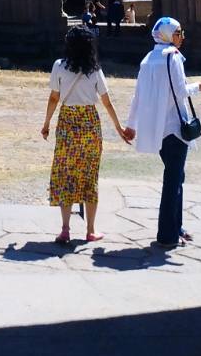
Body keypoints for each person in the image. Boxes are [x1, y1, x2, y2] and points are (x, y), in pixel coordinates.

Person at [125, 16, 201, 249]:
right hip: (175, 127)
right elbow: (180, 90)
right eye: (178, 32)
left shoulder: (148, 59)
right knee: (173, 180)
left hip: (158, 128)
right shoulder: (172, 57)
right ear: (166, 35)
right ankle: (167, 235)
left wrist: (131, 124)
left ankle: (176, 226)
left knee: (176, 176)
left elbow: (137, 95)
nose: (181, 37)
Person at [40, 25, 133, 244]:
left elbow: (54, 98)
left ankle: (65, 229)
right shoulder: (95, 70)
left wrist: (46, 124)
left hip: (67, 122)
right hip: (90, 123)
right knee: (90, 175)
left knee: (66, 173)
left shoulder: (59, 66)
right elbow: (107, 102)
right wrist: (119, 128)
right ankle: (91, 229)